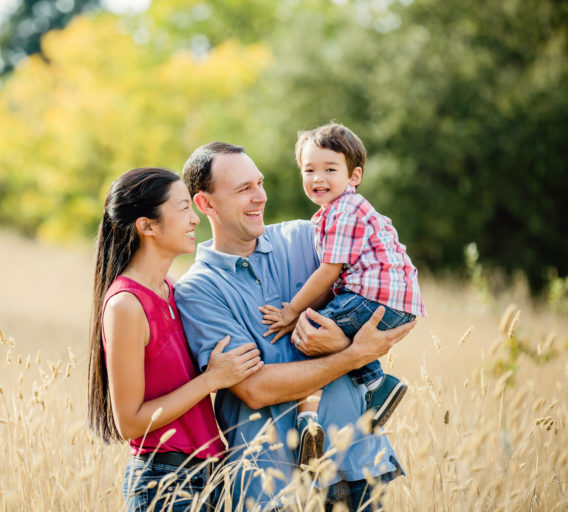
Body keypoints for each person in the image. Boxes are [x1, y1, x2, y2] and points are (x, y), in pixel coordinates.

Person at [175, 143, 414, 511]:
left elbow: (394, 295)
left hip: (357, 464)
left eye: (260, 183)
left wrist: (346, 337)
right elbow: (255, 389)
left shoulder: (307, 238)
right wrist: (352, 355)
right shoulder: (197, 290)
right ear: (205, 204)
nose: (260, 197)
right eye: (243, 189)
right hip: (274, 486)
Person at [87, 167, 264, 512]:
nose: (195, 219)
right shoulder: (126, 304)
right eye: (183, 208)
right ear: (147, 226)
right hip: (165, 484)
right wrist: (211, 380)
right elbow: (129, 422)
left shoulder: (170, 289)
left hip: (208, 478)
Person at [261, 123, 427, 465]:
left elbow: (329, 272)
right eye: (309, 170)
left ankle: (308, 420)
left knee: (309, 332)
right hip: (387, 299)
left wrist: (292, 311)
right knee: (323, 331)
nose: (318, 178)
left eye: (329, 169)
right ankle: (376, 383)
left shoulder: (345, 210)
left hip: (376, 299)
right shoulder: (333, 212)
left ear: (354, 176)